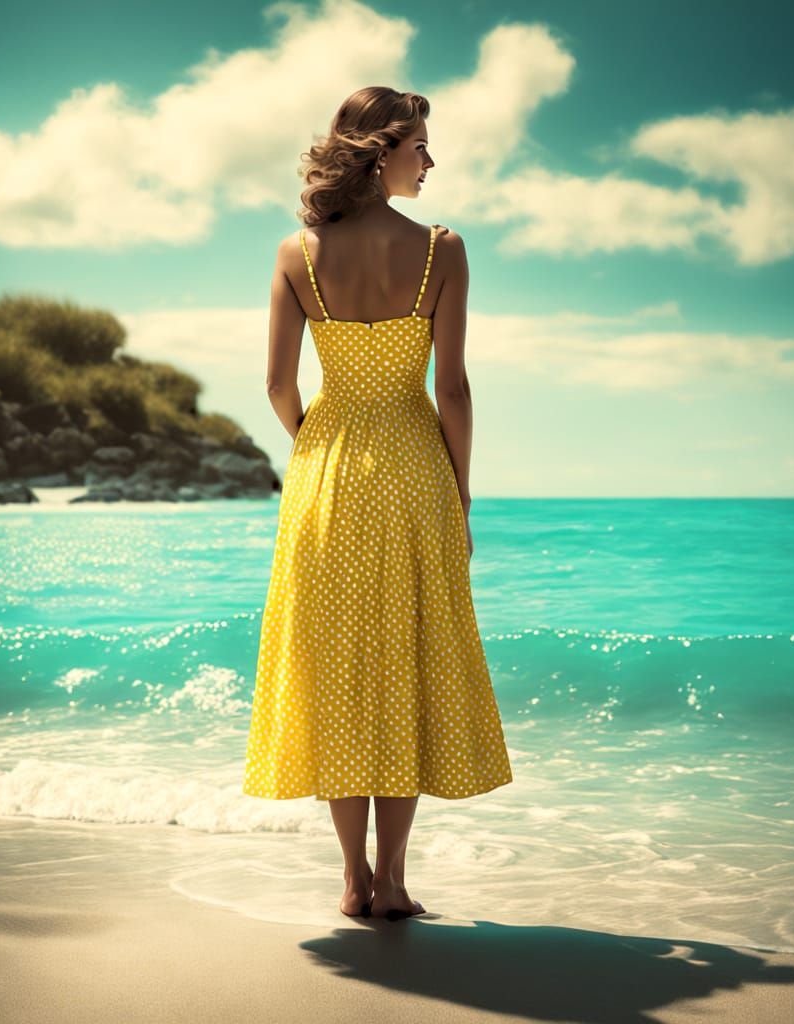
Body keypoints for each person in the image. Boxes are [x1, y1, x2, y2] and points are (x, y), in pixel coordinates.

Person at [242, 86, 513, 922]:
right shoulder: (442, 251)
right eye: (420, 147)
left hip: (323, 475)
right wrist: (462, 493)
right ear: (381, 151)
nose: (430, 163)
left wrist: (316, 446)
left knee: (335, 673)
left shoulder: (298, 252)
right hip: (412, 473)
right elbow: (455, 388)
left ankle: (352, 880)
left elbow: (278, 386)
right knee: (404, 665)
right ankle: (392, 882)